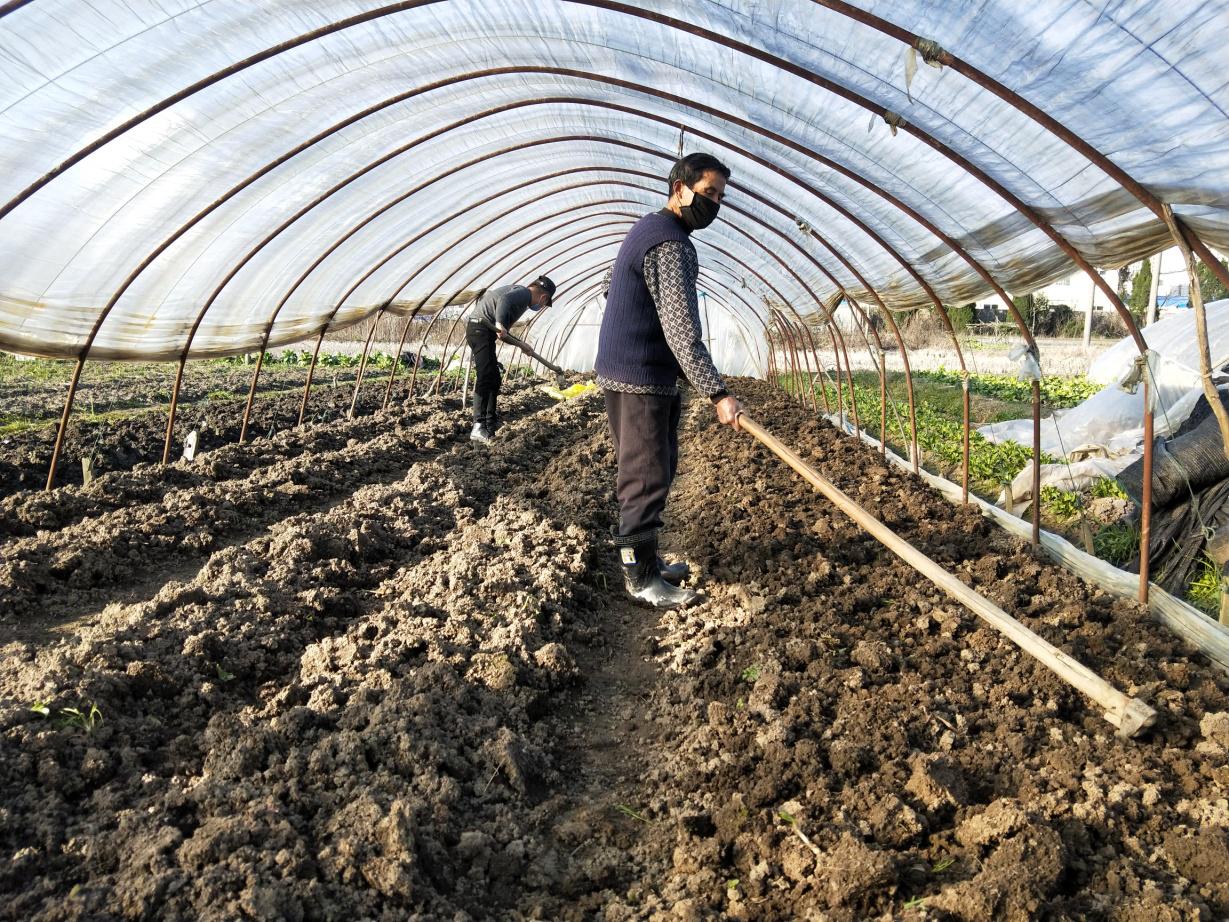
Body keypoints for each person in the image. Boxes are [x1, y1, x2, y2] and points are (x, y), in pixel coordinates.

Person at [595, 152, 742, 609]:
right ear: (680, 188)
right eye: (707, 193)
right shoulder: (671, 244)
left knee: (654, 467)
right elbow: (681, 329)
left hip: (633, 371)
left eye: (719, 196)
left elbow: (612, 286)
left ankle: (650, 562)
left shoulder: (649, 228)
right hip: (640, 377)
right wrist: (717, 392)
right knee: (644, 475)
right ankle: (638, 579)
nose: (713, 204)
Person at [465, 276, 555, 441]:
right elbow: (503, 300)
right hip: (479, 329)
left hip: (484, 332)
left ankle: (490, 424)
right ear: (543, 297)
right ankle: (478, 426)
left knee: (494, 378)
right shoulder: (523, 293)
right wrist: (500, 323)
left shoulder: (520, 299)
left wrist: (522, 345)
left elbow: (503, 335)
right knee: (486, 376)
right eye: (545, 303)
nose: (541, 306)